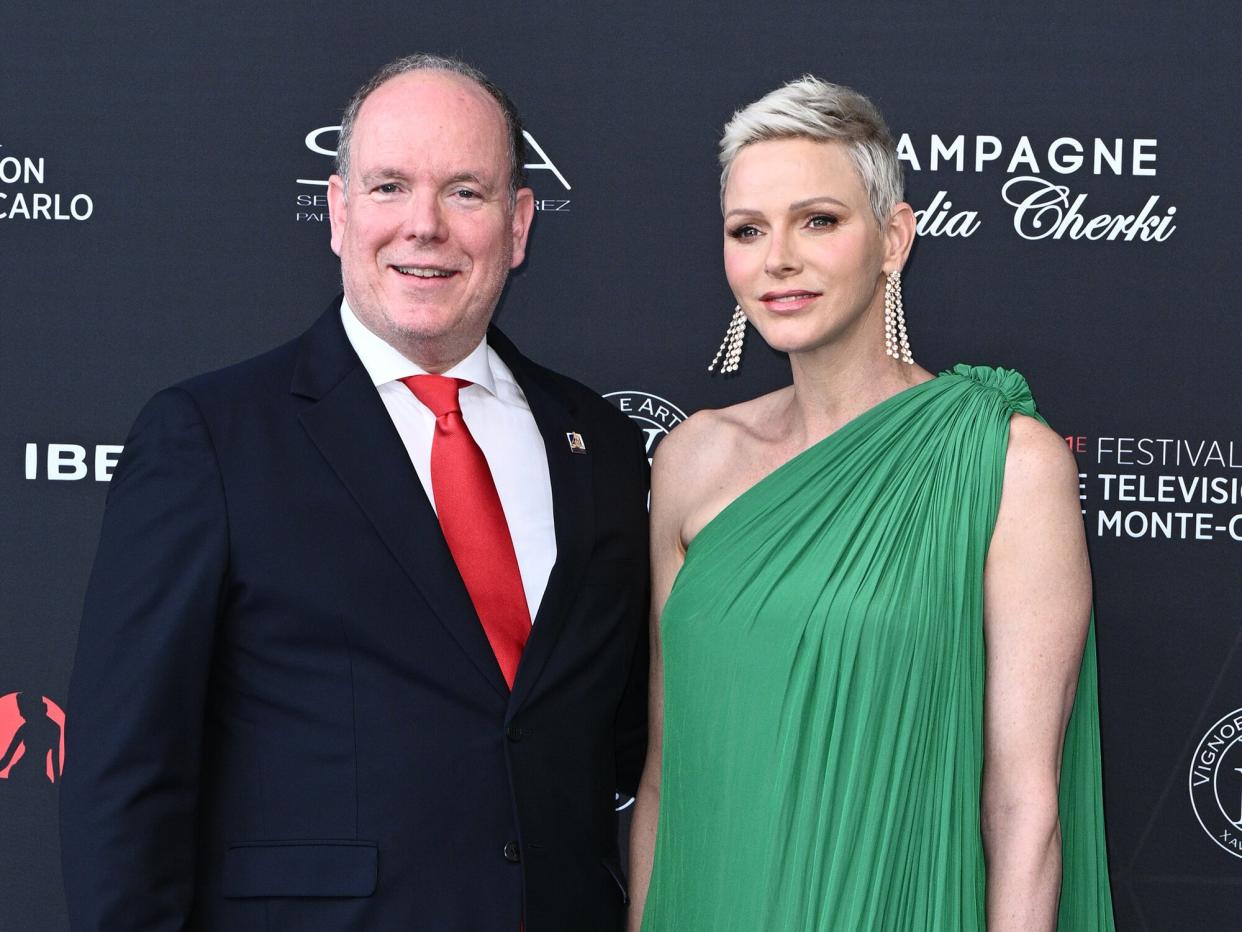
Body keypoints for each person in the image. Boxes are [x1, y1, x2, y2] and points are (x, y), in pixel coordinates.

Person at [60, 53, 649, 931]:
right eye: (388, 188)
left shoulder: (601, 444)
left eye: (465, 192)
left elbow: (629, 743)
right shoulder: (211, 438)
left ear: (519, 225)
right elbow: (126, 778)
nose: (424, 226)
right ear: (336, 212)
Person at [628, 76, 1114, 931]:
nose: (778, 257)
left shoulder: (1001, 462)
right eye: (748, 230)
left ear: (893, 239)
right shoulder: (691, 462)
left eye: (818, 220)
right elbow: (668, 773)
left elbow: (1024, 808)